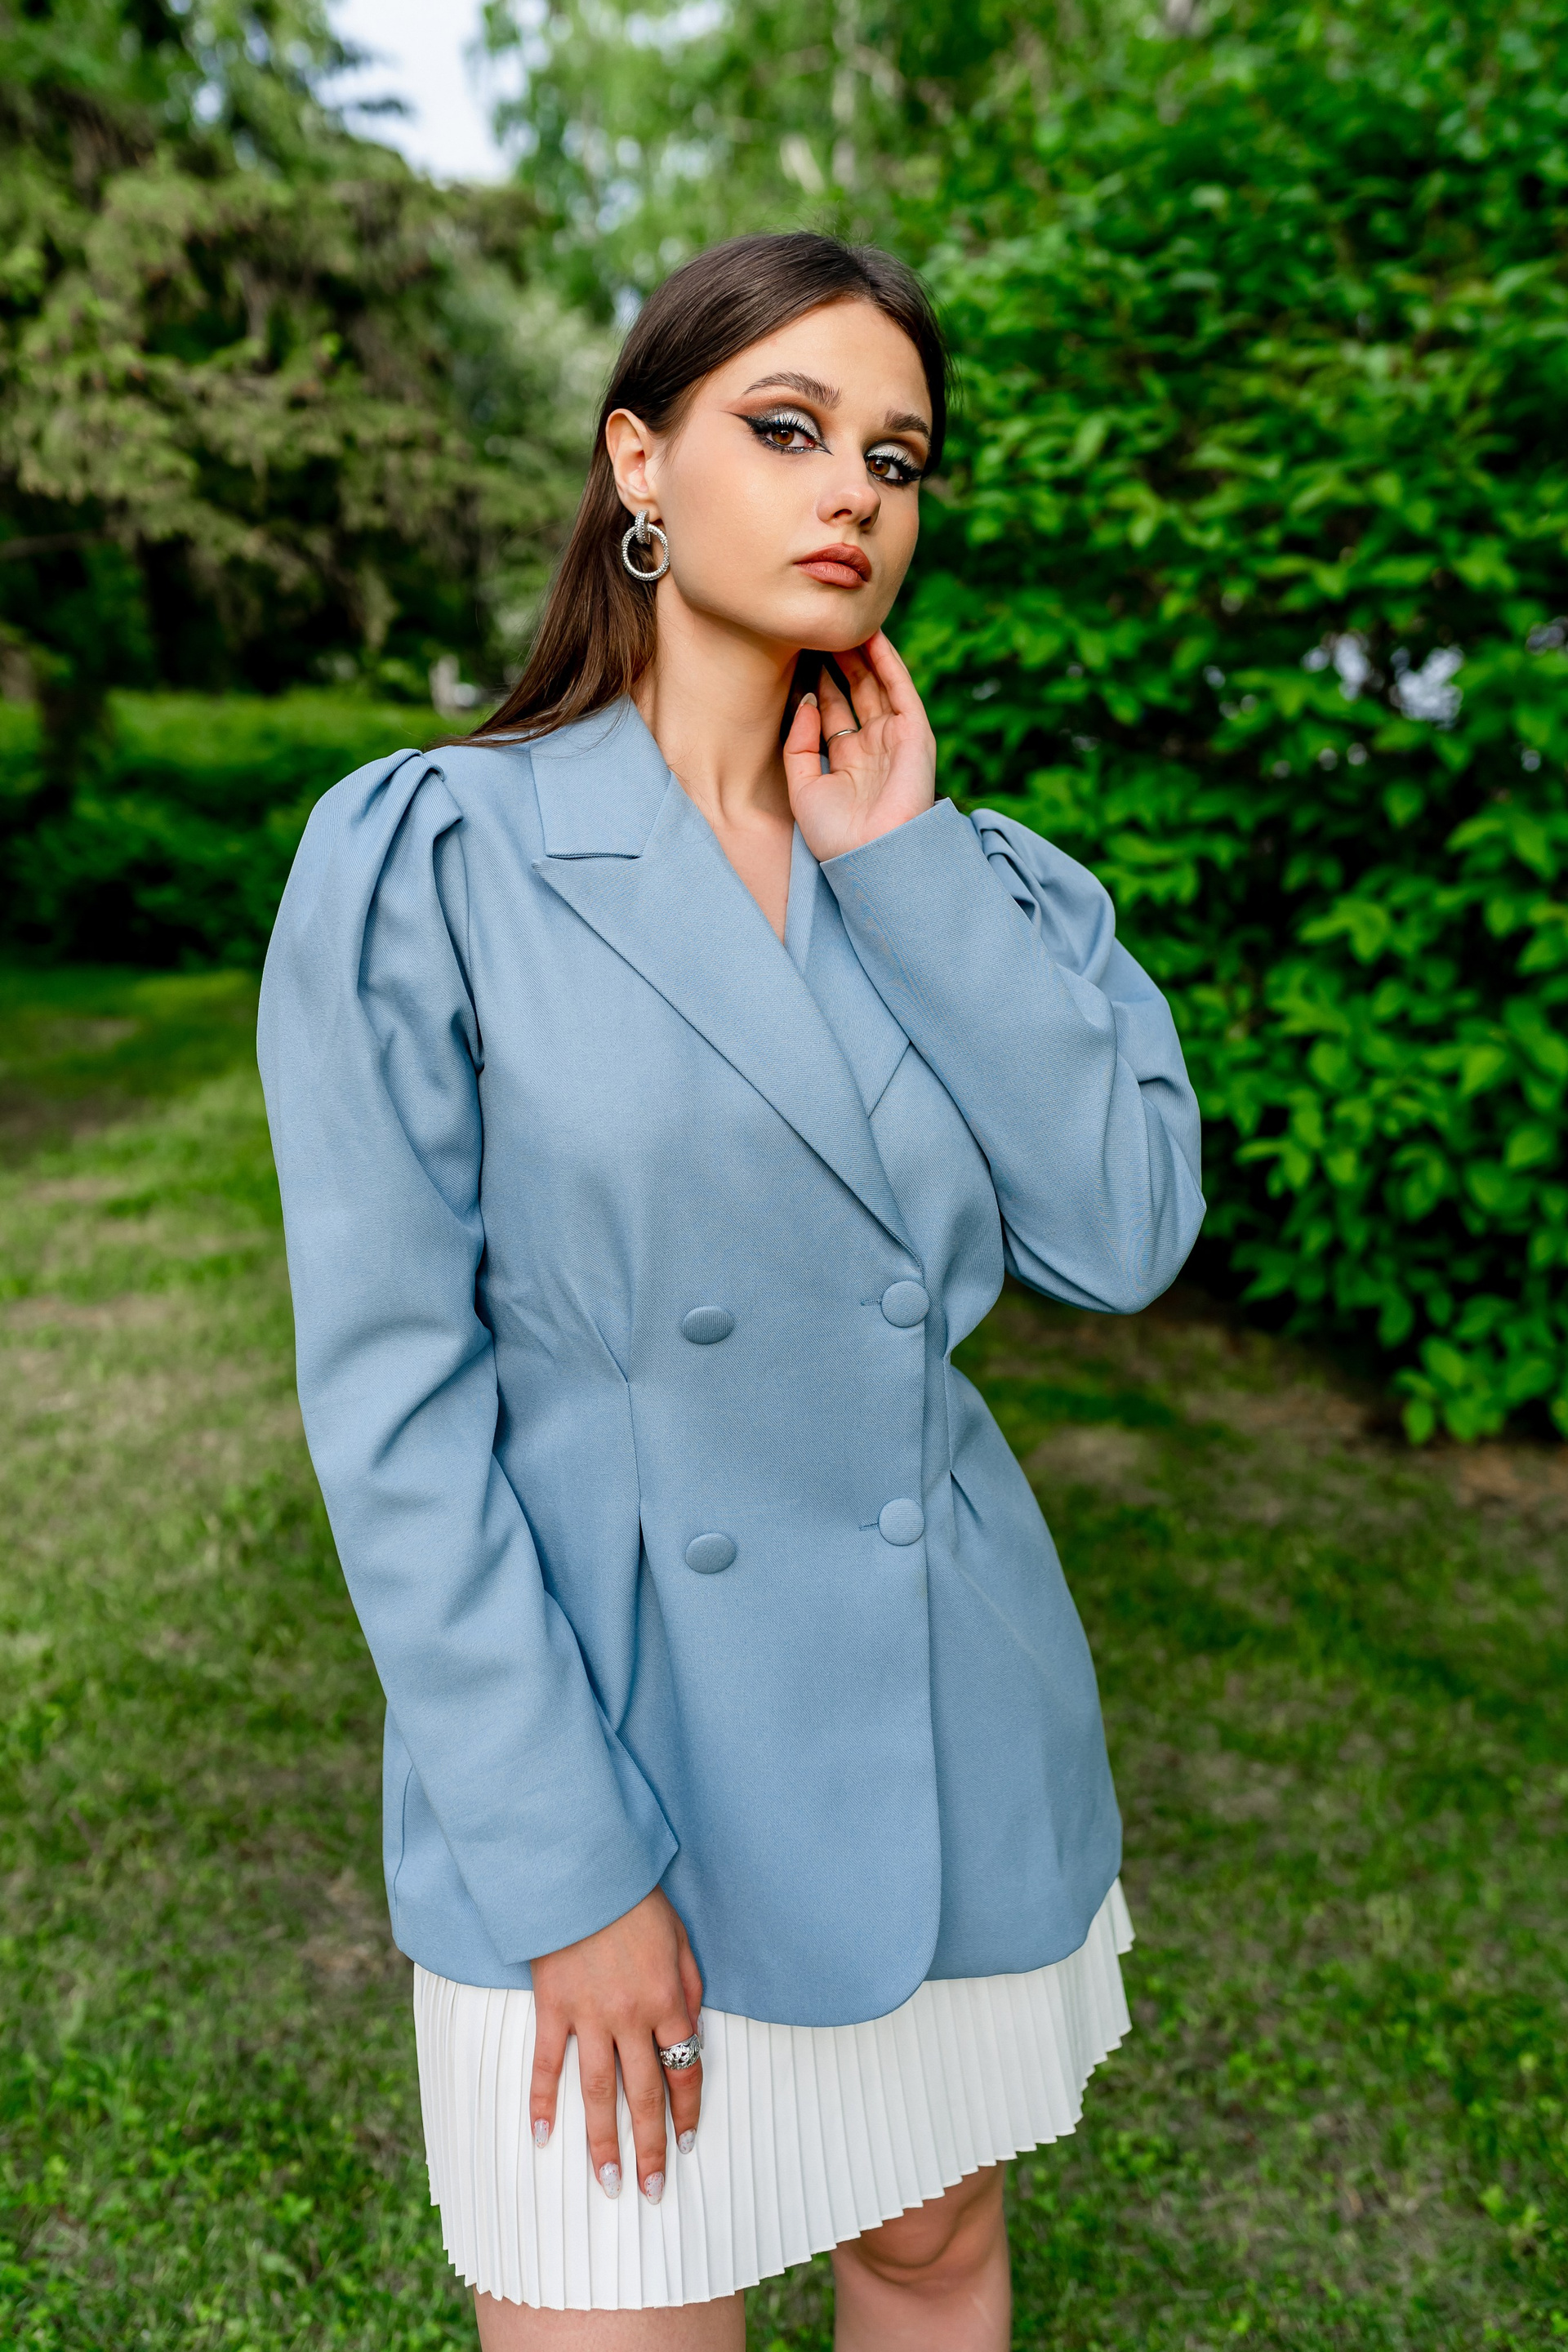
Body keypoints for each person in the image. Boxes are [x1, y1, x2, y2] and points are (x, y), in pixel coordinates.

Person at [258, 230, 1205, 2350]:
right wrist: (567, 1868)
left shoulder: (978, 877)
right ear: (639, 465)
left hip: (950, 1740)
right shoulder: (434, 858)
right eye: (787, 429)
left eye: (897, 455)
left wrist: (903, 869)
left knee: (932, 2255)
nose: (852, 488)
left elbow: (1125, 1231)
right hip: (617, 1758)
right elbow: (395, 1420)